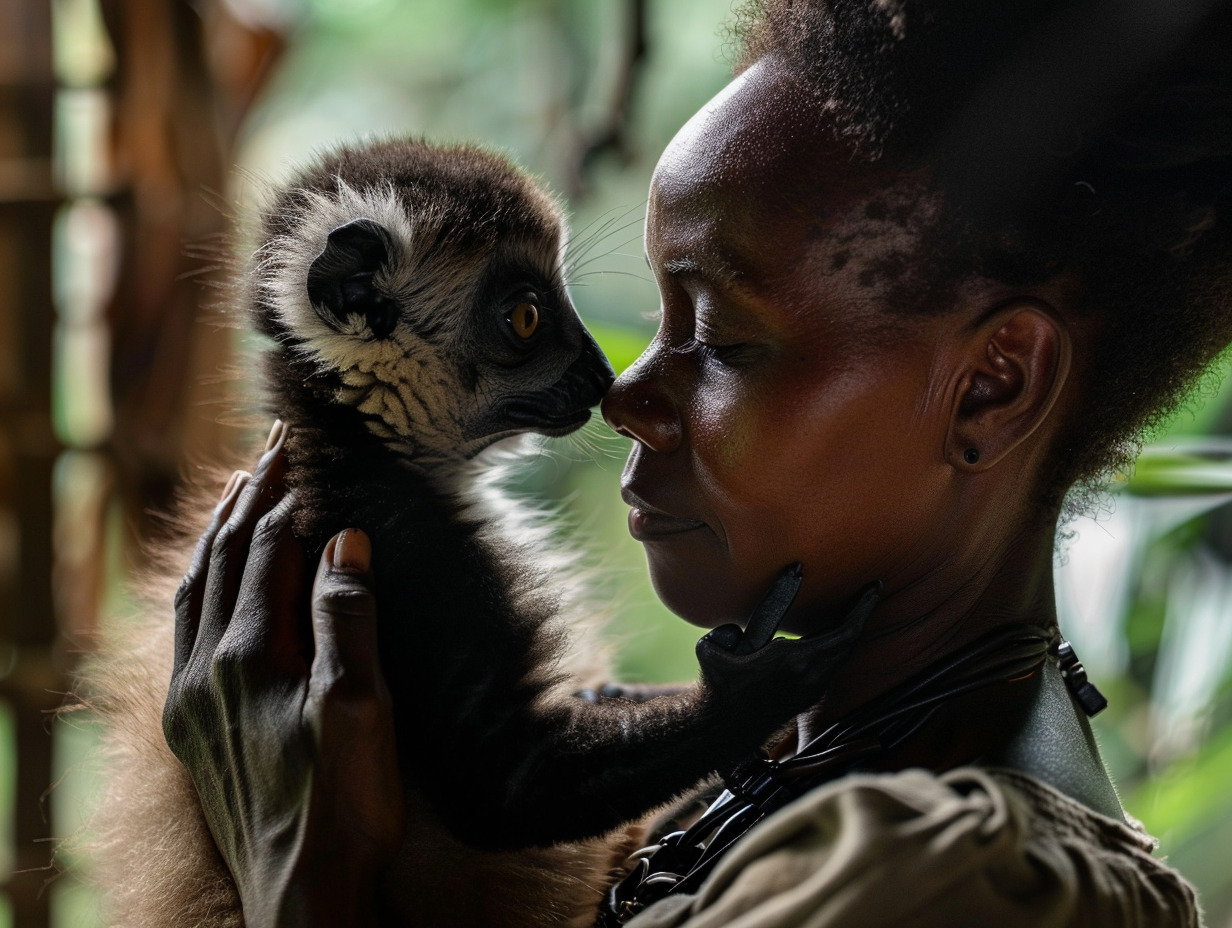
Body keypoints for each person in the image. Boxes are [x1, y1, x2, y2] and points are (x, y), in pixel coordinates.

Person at [165, 0, 1232, 924]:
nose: (623, 396)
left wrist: (301, 883)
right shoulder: (775, 774)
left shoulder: (948, 884)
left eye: (719, 341)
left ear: (991, 385)